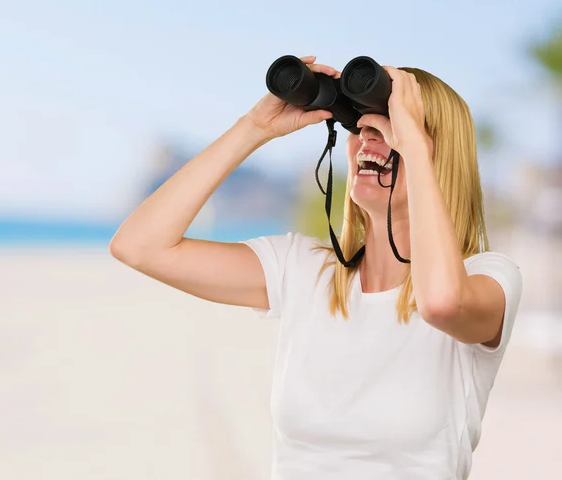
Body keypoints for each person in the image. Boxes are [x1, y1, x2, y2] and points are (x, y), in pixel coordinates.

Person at [109, 55, 523, 480]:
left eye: (388, 129)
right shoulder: (304, 269)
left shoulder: (488, 277)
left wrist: (413, 145)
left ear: (435, 152)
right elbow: (139, 247)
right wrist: (255, 128)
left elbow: (441, 304)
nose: (368, 140)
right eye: (360, 126)